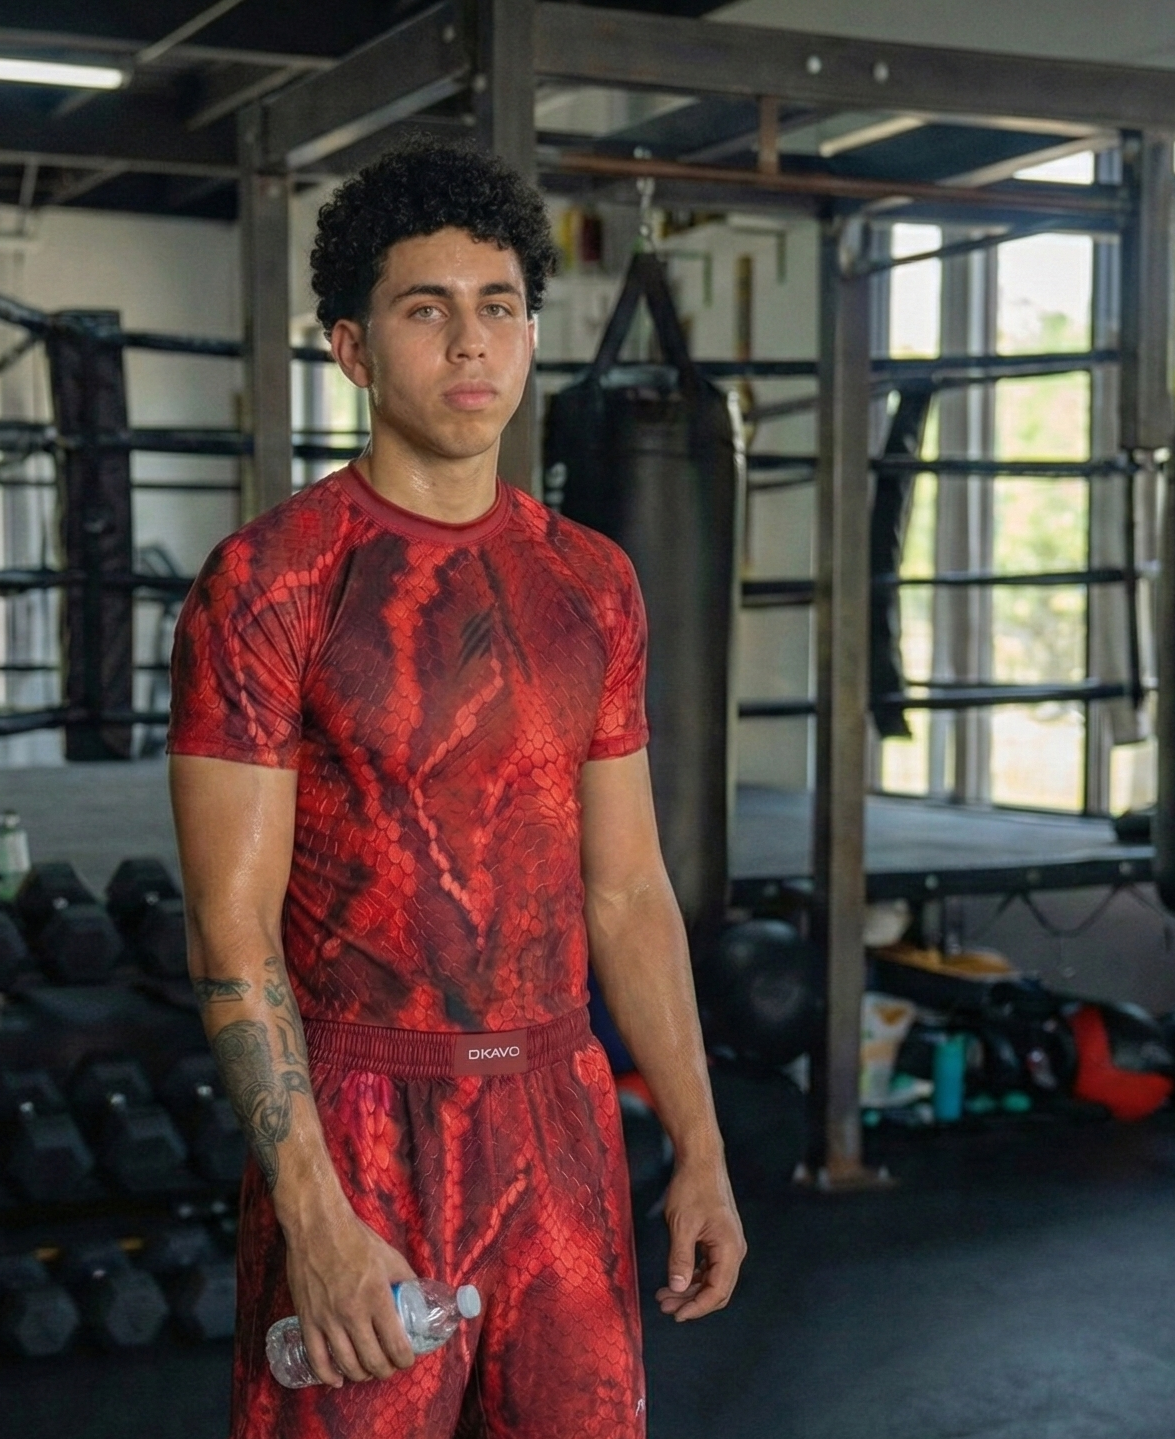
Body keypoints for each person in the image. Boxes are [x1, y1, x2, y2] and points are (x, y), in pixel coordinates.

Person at [167, 142, 745, 1437]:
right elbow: (229, 929)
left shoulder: (593, 583)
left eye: (499, 307)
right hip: (364, 1122)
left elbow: (628, 887)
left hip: (559, 1114)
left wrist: (702, 1148)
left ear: (531, 334)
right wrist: (314, 1211)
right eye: (426, 310)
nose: (471, 341)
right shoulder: (269, 583)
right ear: (353, 350)